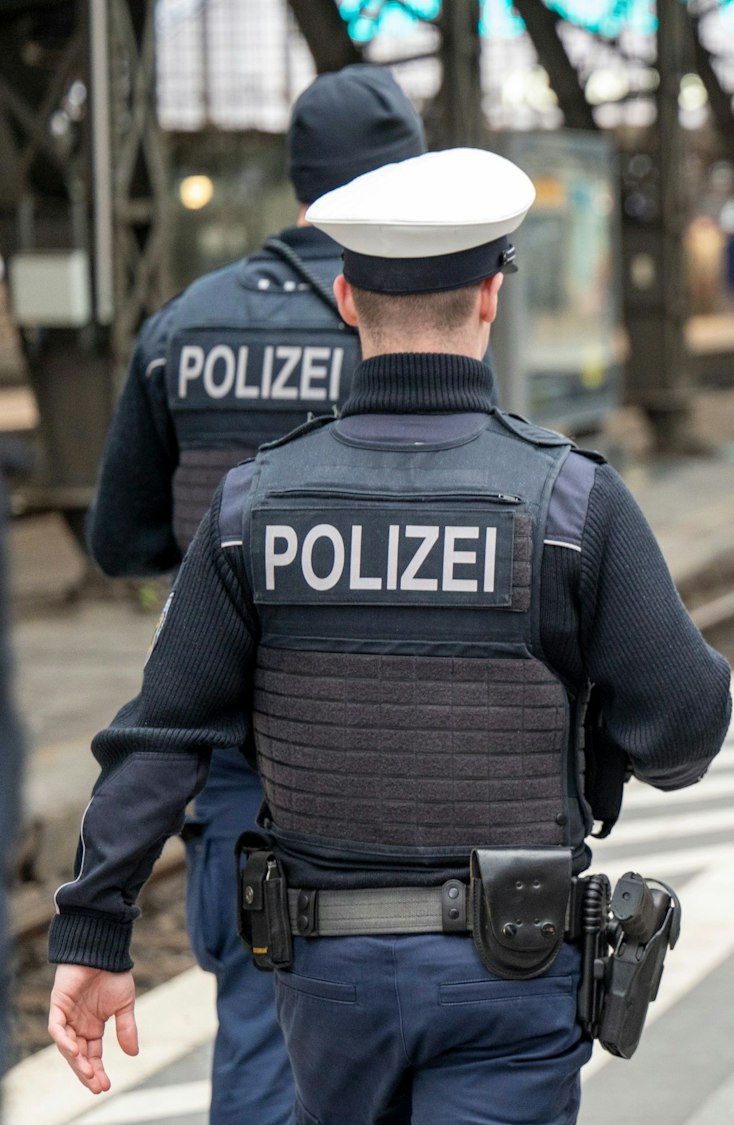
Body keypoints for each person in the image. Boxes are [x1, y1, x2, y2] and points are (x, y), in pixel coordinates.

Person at [46, 147, 733, 1122]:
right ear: (490, 297)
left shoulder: (255, 508)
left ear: (345, 301)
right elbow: (686, 728)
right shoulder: (570, 503)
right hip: (515, 960)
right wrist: (592, 750)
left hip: (327, 977)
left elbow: (162, 735)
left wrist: (93, 929)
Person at [78, 65, 425, 1124]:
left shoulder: (185, 325)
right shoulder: (415, 322)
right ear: (406, 177)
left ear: (298, 180)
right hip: (390, 768)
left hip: (233, 767)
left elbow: (121, 538)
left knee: (265, 1050)